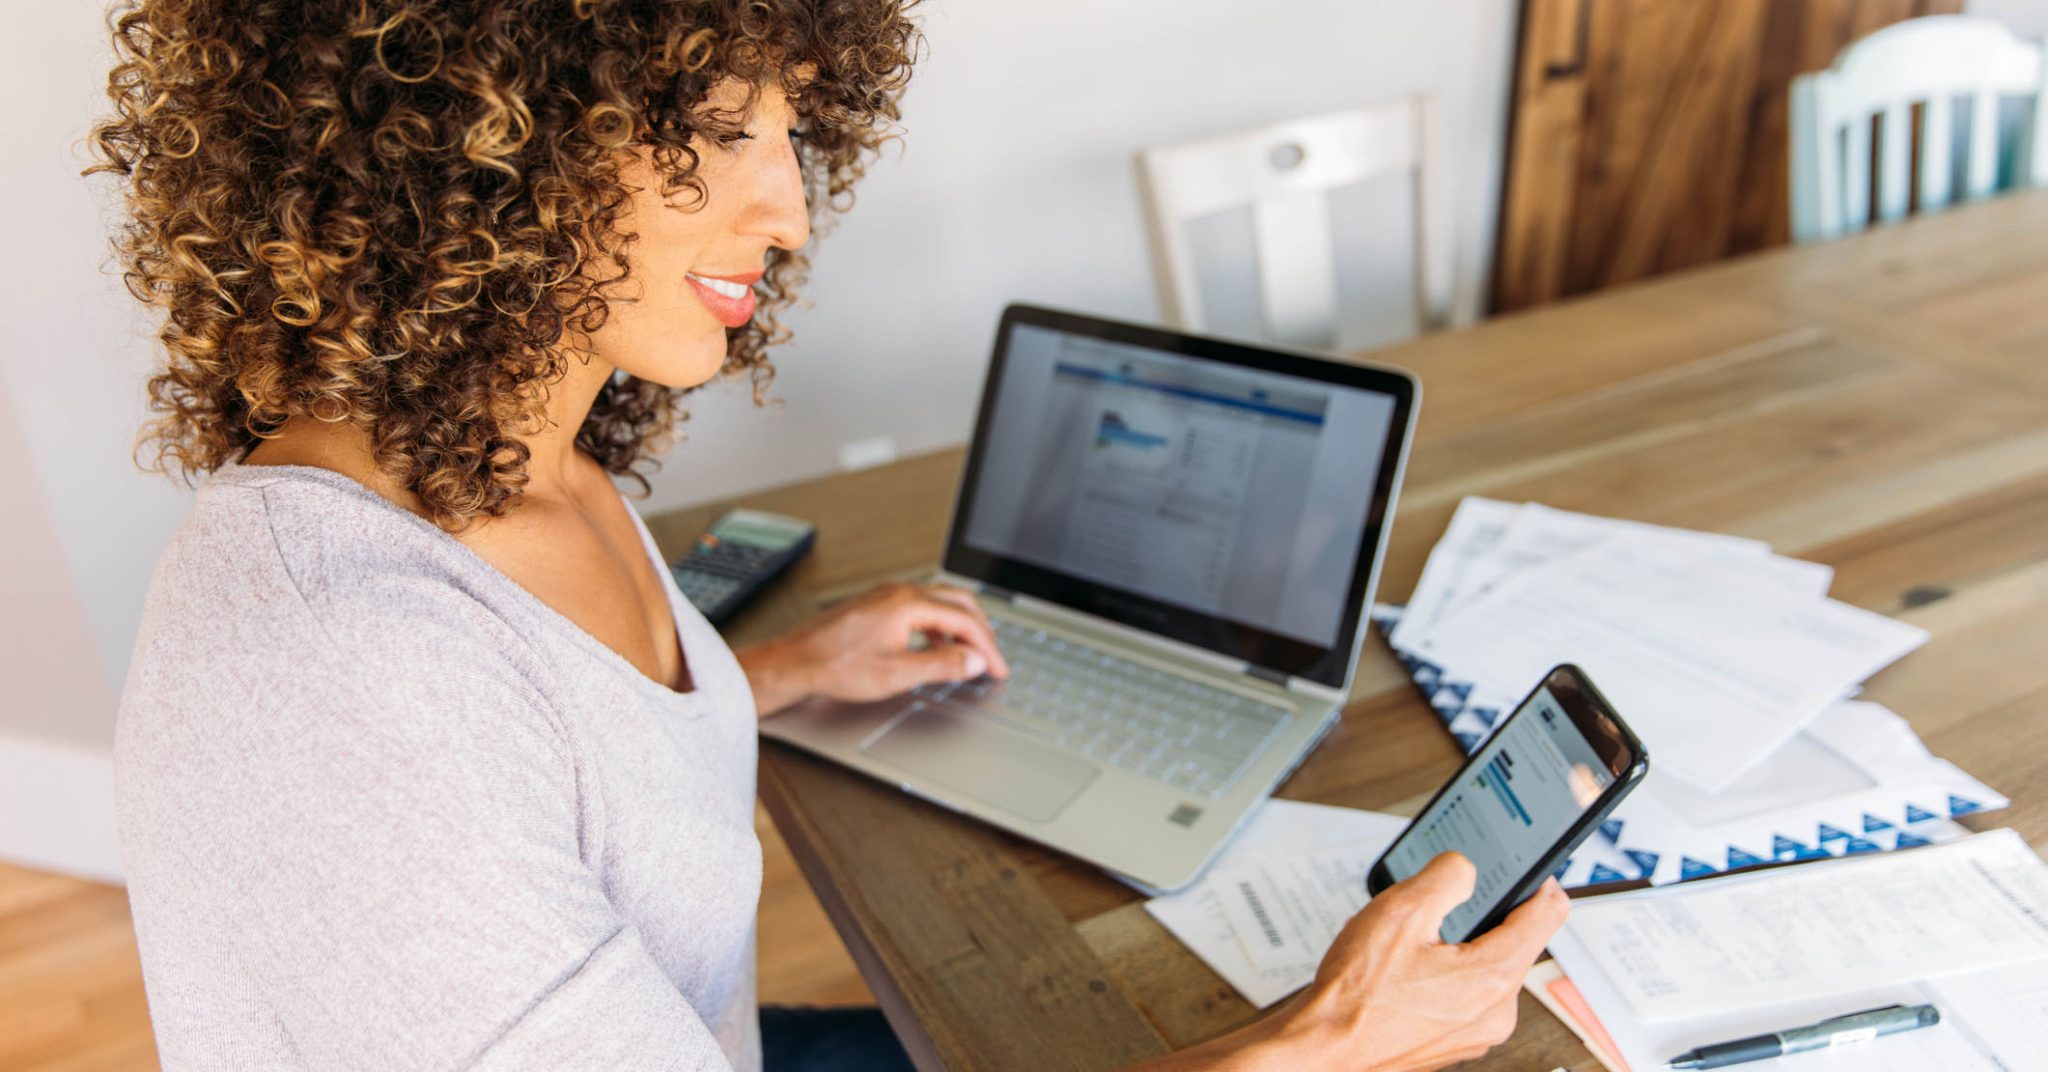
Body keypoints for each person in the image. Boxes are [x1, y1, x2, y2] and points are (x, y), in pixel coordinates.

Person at [91, 0, 1570, 1069]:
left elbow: (550, 746)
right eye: (726, 135)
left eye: (792, 137)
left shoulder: (516, 468)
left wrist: (776, 673)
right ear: (483, 145)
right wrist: (1325, 1042)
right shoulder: (340, 668)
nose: (791, 213)